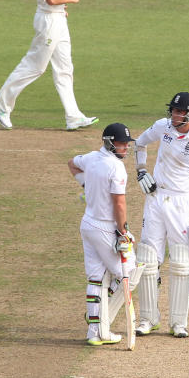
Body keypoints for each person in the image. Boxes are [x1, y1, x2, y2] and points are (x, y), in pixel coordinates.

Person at [0, 0, 97, 131]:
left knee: (65, 68)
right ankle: (2, 104)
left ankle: (73, 116)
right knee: (35, 66)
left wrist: (57, 6)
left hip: (57, 20)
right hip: (49, 22)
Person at [133, 92, 189, 338]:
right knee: (147, 258)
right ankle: (148, 319)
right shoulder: (163, 126)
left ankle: (178, 323)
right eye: (174, 110)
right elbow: (139, 143)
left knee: (180, 262)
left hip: (182, 202)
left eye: (180, 112)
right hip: (156, 197)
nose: (175, 115)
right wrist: (141, 171)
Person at [68, 123, 139, 345]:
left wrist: (86, 186)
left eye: (127, 144)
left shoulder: (90, 158)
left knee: (96, 277)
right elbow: (119, 203)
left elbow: (72, 164)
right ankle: (103, 319)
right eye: (122, 144)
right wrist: (123, 232)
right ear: (109, 142)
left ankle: (94, 332)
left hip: (87, 225)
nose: (126, 148)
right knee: (130, 273)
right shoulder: (116, 168)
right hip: (105, 227)